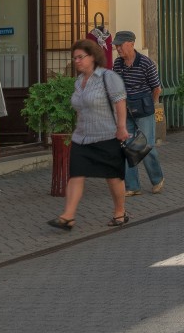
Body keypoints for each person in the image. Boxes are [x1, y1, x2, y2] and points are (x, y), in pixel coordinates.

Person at [47, 39, 130, 230]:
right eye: (74, 57)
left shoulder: (107, 77)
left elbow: (120, 102)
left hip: (107, 135)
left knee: (113, 176)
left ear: (92, 57)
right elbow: (80, 108)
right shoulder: (78, 82)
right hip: (82, 138)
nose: (76, 61)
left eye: (80, 57)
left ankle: (120, 212)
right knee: (76, 174)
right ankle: (68, 216)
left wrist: (121, 127)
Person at [112, 30, 164, 197]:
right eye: (116, 45)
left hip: (144, 108)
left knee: (146, 146)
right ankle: (132, 186)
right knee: (127, 146)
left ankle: (157, 179)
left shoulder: (146, 63)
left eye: (121, 45)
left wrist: (150, 105)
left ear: (132, 44)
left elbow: (157, 88)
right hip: (125, 109)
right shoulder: (118, 64)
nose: (118, 48)